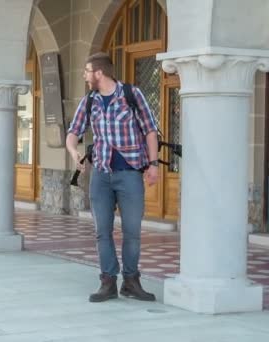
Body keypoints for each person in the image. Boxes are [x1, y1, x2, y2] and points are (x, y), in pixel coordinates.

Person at [65, 52, 159, 302]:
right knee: (102, 231)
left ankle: (131, 281)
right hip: (101, 175)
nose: (84, 76)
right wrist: (74, 151)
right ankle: (108, 282)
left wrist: (153, 164)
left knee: (132, 231)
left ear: (99, 73)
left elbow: (150, 131)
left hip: (129, 174)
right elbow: (73, 132)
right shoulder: (89, 102)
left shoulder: (132, 95)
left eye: (87, 71)